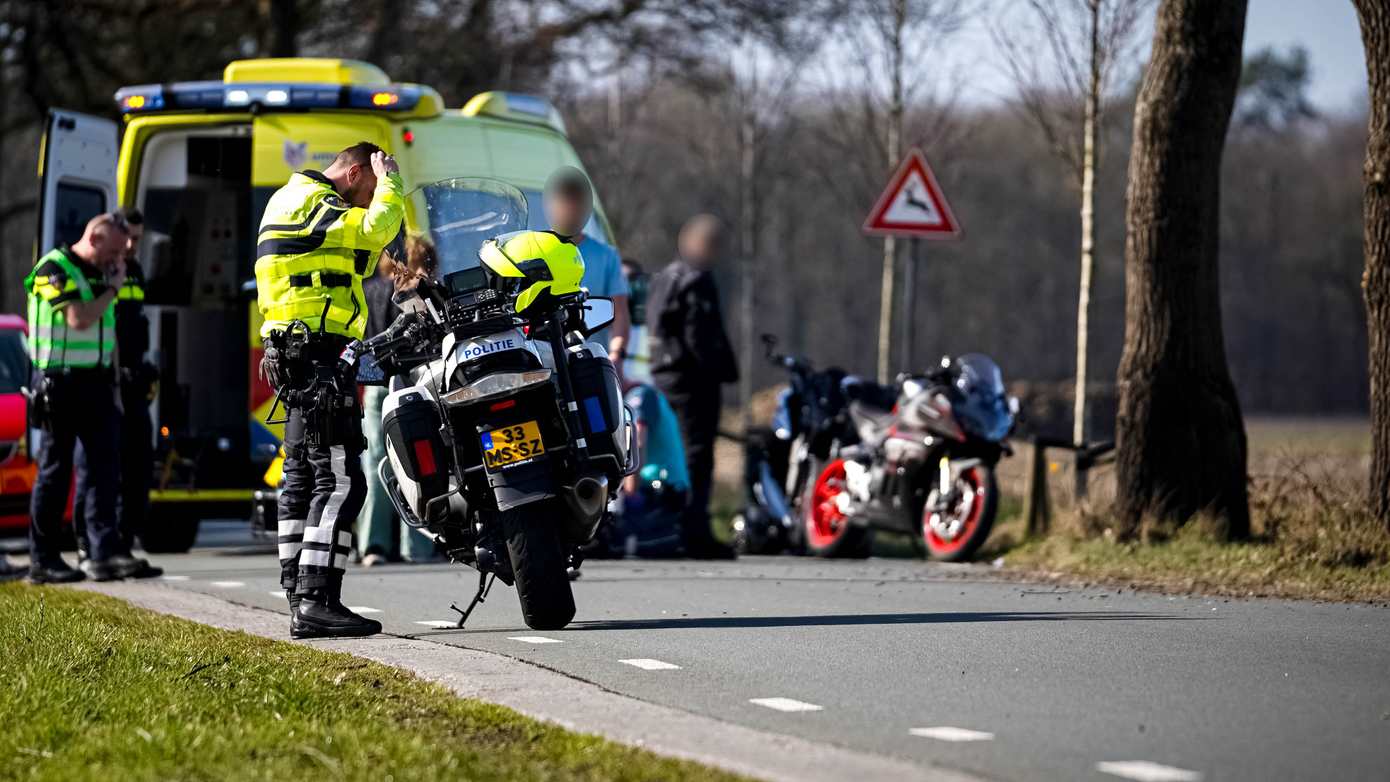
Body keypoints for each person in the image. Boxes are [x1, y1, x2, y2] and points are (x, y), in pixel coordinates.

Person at [256, 141, 404, 638]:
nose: (366, 201)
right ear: (358, 172)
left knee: (300, 475)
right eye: (367, 189)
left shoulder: (289, 200)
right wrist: (392, 183)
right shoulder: (315, 202)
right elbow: (378, 228)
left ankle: (298, 593)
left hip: (293, 354)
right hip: (318, 356)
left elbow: (358, 261)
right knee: (342, 481)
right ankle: (317, 599)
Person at [24, 212, 160, 583]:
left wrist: (114, 384)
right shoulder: (54, 268)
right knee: (55, 471)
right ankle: (44, 558)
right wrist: (112, 289)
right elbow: (78, 318)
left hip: (98, 384)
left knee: (105, 468)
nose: (119, 260)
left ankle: (103, 552)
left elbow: (108, 333)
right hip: (59, 382)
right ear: (95, 239)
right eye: (114, 251)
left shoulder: (104, 273)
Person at [646, 214, 739, 559]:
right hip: (693, 380)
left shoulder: (665, 276)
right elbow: (701, 336)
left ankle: (674, 526)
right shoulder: (696, 280)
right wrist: (722, 369)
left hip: (666, 377)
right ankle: (693, 530)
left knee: (674, 454)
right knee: (697, 456)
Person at [74, 208, 156, 554]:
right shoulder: (97, 272)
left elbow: (137, 324)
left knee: (139, 459)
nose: (133, 246)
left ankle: (126, 537)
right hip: (104, 377)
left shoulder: (133, 271)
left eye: (138, 239)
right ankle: (85, 537)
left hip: (133, 378)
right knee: (97, 462)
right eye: (129, 239)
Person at [357, 235, 438, 566]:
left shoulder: (369, 292)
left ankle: (373, 545)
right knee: (420, 463)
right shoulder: (420, 293)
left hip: (377, 385)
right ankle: (416, 546)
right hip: (416, 384)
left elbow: (362, 342)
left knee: (377, 462)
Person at [542, 167, 630, 372]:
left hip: (594, 366)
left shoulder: (607, 255)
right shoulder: (535, 252)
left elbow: (620, 314)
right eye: (564, 201)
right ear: (551, 206)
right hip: (548, 366)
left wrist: (617, 355)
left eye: (576, 202)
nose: (570, 208)